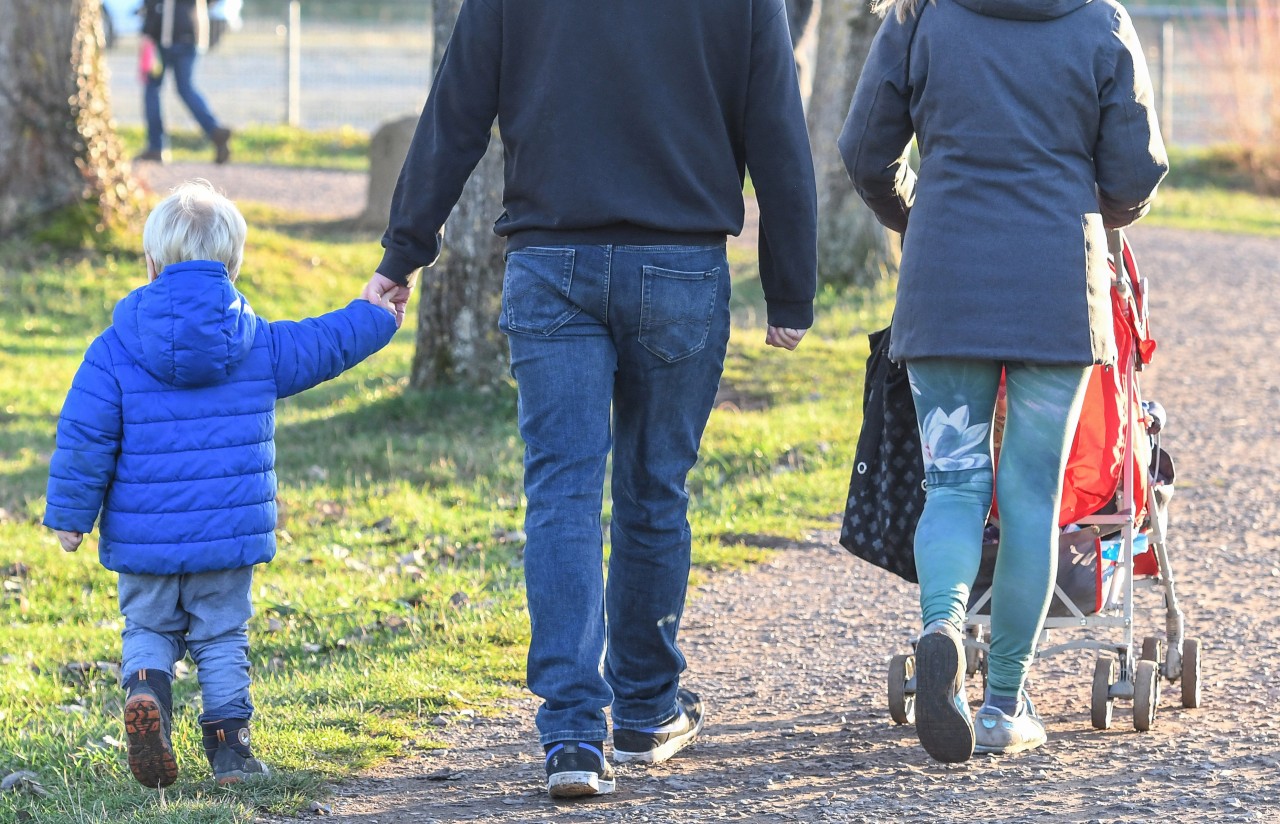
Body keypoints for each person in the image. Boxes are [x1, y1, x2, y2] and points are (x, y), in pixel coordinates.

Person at [362, 0, 817, 799]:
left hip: (552, 260)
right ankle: (643, 711)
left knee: (562, 494)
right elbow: (777, 126)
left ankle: (574, 734)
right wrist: (789, 289)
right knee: (654, 488)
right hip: (679, 265)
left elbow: (456, 111)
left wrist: (406, 248)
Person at [839, 0, 1167, 762]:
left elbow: (864, 152)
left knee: (953, 485)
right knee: (1031, 499)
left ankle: (943, 631)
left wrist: (920, 216)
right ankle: (1005, 706)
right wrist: (1090, 208)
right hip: (1054, 285)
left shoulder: (918, 17)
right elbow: (1135, 170)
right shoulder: (1100, 22)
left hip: (945, 278)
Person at [43, 180, 399, 787]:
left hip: (144, 540)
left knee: (149, 629)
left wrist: (70, 517)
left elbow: (85, 437)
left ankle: (148, 693)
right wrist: (376, 314)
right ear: (233, 263)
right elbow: (324, 344)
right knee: (221, 636)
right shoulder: (256, 343)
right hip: (227, 535)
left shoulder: (113, 349)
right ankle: (231, 752)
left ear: (151, 262)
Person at [135, 0, 233, 165]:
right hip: (191, 31)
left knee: (153, 89)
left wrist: (147, 32)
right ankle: (214, 131)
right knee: (185, 88)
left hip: (163, 35)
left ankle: (156, 146)